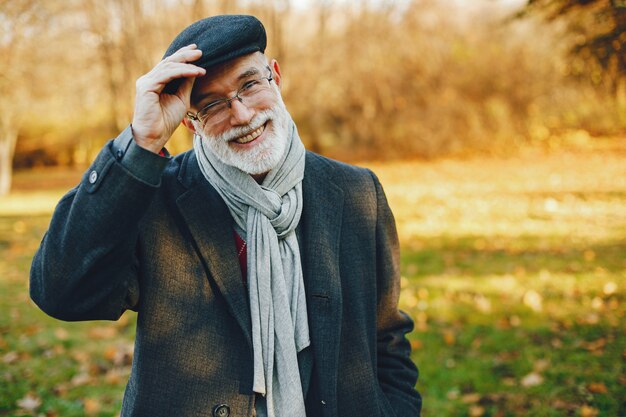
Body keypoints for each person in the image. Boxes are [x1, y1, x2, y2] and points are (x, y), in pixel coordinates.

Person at [30, 14, 421, 417]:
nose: (241, 115)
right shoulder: (153, 198)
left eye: (249, 85)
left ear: (276, 77)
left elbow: (386, 339)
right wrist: (139, 143)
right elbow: (62, 292)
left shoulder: (358, 191)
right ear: (189, 122)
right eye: (212, 104)